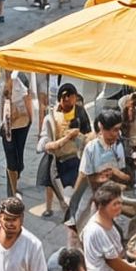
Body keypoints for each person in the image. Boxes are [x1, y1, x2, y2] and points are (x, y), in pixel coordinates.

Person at [82, 185, 136, 271]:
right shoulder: (97, 231)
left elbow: (119, 256)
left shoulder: (109, 222)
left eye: (120, 202)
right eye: (115, 204)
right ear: (101, 207)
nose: (119, 206)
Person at [39, 84, 89, 221]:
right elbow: (45, 144)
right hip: (57, 161)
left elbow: (88, 133)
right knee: (53, 187)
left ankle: (73, 216)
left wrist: (80, 137)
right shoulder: (51, 117)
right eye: (65, 98)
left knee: (75, 194)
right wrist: (66, 138)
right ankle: (51, 208)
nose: (68, 100)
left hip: (75, 159)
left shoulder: (80, 112)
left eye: (71, 97)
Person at [0, 69, 34, 197]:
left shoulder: (20, 80)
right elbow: (2, 102)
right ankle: (11, 192)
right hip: (8, 126)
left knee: (19, 162)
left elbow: (28, 99)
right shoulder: (3, 82)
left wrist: (30, 119)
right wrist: (2, 121)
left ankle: (15, 182)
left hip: (21, 124)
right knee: (11, 160)